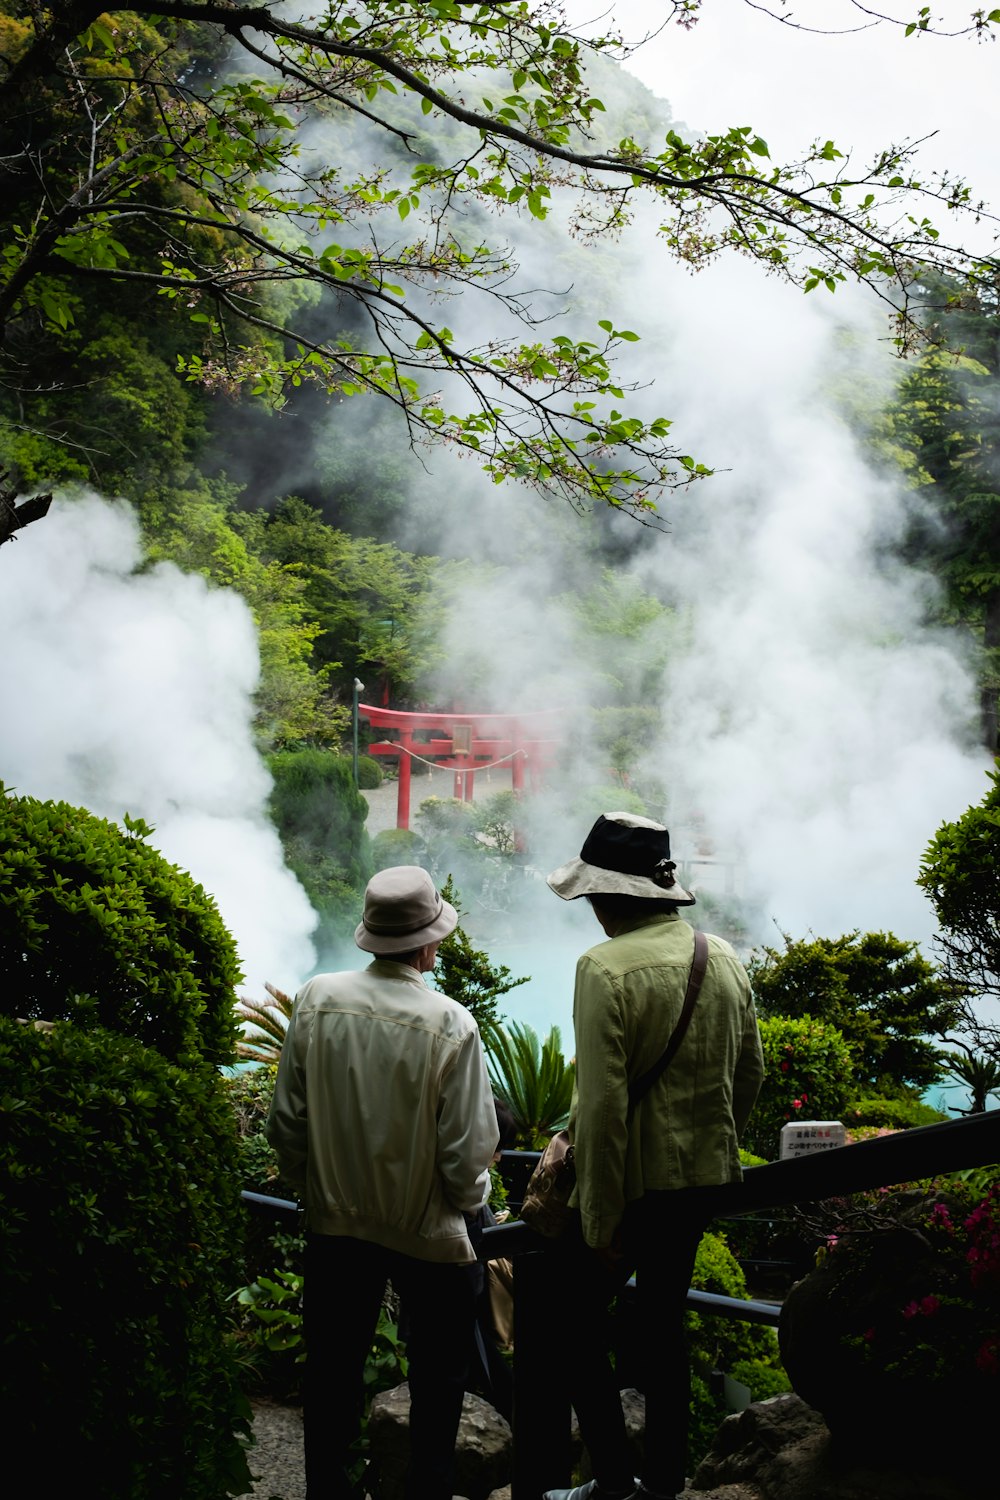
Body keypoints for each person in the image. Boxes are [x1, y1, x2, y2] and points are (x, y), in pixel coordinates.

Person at [541, 812, 764, 1500]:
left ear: (611, 896)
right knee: (664, 1327)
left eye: (591, 898)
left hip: (632, 1193)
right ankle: (665, 1484)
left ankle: (613, 1481)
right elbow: (750, 1074)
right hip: (701, 1185)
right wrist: (712, 1144)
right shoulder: (721, 955)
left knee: (569, 1325)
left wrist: (601, 1224)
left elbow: (603, 1110)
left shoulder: (602, 969)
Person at [265, 865, 499, 1500]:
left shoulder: (317, 998)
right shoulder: (451, 1023)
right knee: (438, 1378)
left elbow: (286, 1124)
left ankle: (327, 1490)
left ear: (373, 934)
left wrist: (315, 1189)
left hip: (335, 1224)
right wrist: (468, 1210)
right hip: (430, 1235)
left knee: (332, 1369)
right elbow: (467, 1155)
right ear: (428, 945)